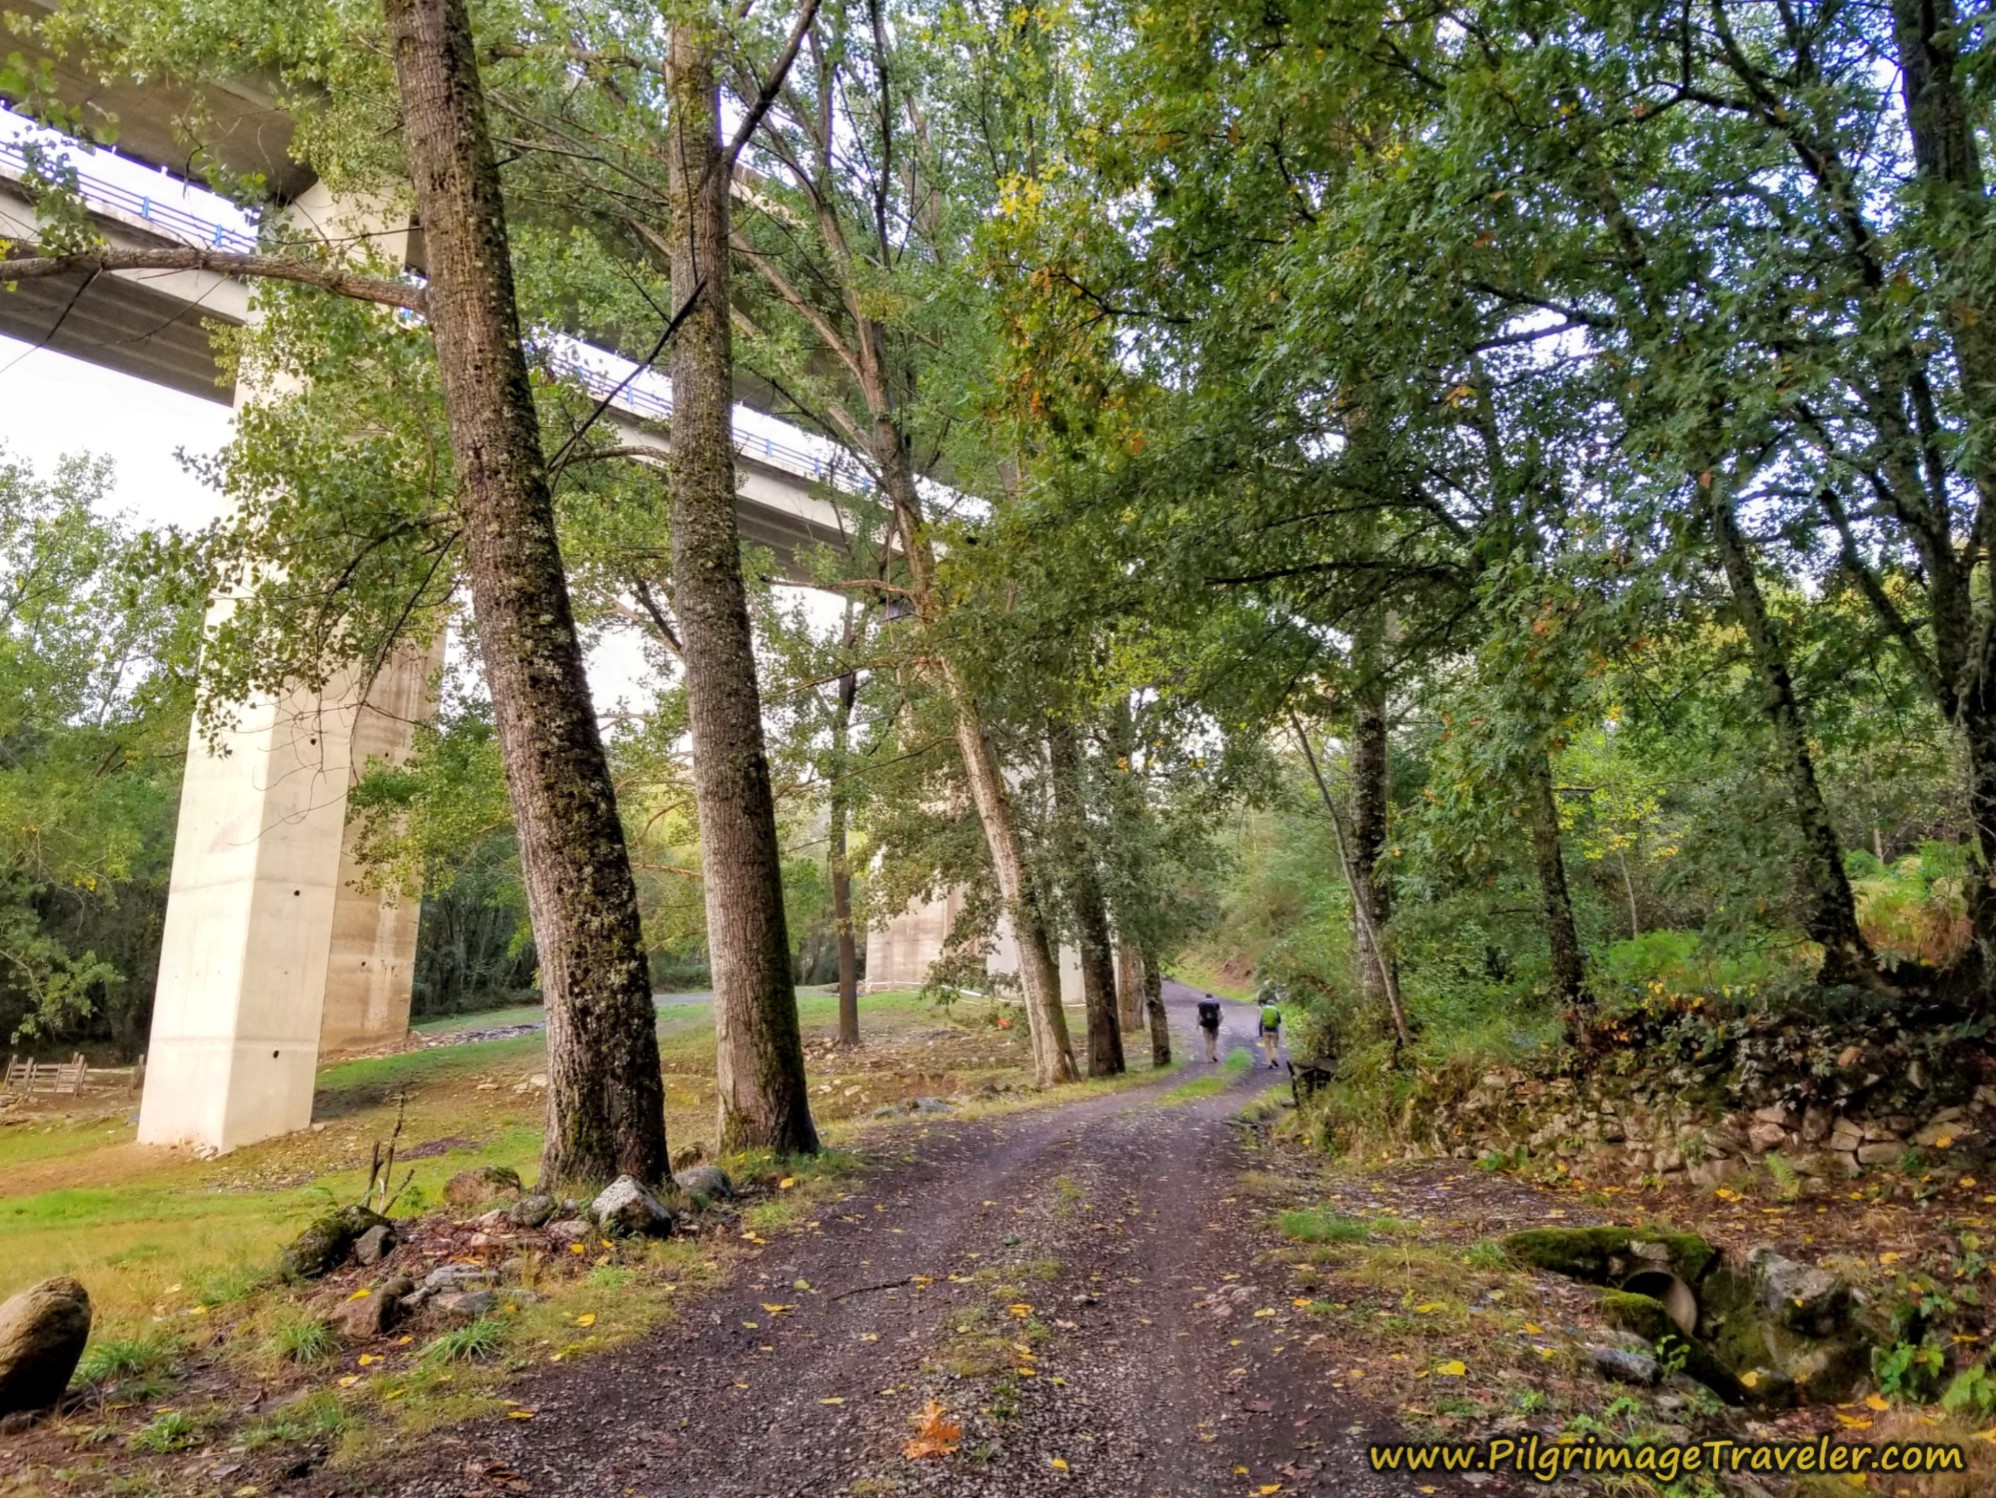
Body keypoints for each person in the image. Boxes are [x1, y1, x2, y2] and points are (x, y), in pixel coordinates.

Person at [1196, 994, 1223, 1062]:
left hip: (1205, 1024)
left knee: (1207, 1041)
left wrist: (1197, 1025)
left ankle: (1208, 1058)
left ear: (1205, 997)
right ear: (1212, 997)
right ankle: (1214, 1055)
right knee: (1214, 1040)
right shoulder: (1216, 1003)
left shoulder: (1202, 1004)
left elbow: (1199, 1015)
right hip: (1214, 1024)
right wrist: (1218, 1023)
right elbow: (1221, 1015)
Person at [1258, 996, 1282, 1069]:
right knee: (1275, 1046)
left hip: (1266, 1031)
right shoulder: (1276, 1010)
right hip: (1274, 1031)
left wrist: (1260, 1033)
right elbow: (1279, 1021)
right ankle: (1273, 1058)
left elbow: (1261, 1023)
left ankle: (1269, 1063)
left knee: (1267, 1048)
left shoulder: (1264, 1011)